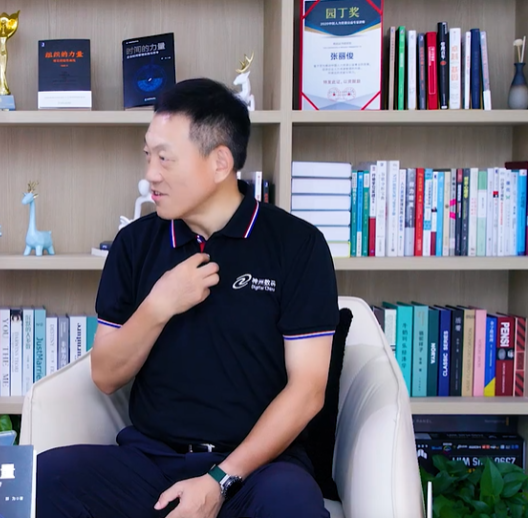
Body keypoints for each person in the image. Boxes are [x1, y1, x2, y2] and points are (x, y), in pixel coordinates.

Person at [35, 78, 339, 518]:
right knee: (45, 480)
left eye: (165, 158)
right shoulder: (135, 245)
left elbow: (307, 391)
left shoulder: (297, 245)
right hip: (151, 463)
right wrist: (159, 305)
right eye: (148, 155)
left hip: (256, 469)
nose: (150, 175)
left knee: (291, 501)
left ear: (219, 162)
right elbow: (105, 375)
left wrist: (220, 480)